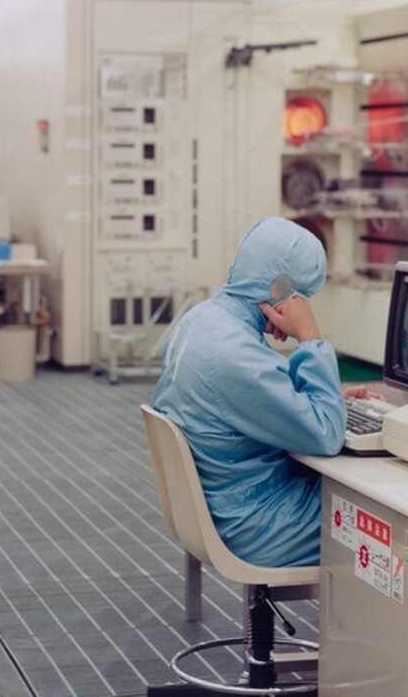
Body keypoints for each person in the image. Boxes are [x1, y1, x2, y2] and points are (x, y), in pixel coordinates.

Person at [152, 215, 346, 567]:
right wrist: (311, 338)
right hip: (257, 524)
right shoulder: (235, 354)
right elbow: (327, 434)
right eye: (303, 298)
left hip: (213, 506)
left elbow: (254, 391)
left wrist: (327, 394)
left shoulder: (203, 319)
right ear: (281, 290)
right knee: (377, 521)